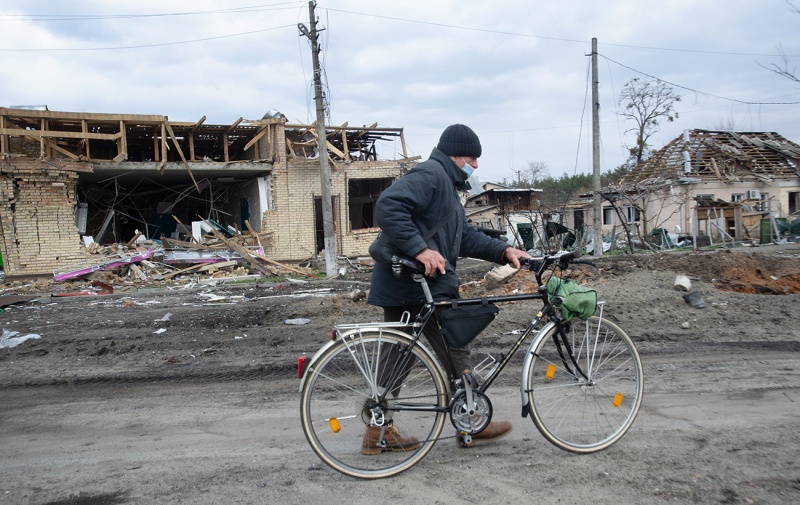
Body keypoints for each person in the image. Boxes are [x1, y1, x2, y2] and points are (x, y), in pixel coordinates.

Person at [364, 124, 530, 454]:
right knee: (455, 345)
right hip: (418, 281)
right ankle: (472, 420)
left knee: (399, 356)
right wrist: (420, 250)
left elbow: (463, 236)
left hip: (408, 282)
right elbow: (389, 205)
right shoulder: (432, 175)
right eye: (472, 158)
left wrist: (504, 251)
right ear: (454, 155)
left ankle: (377, 430)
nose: (476, 165)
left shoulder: (447, 188)